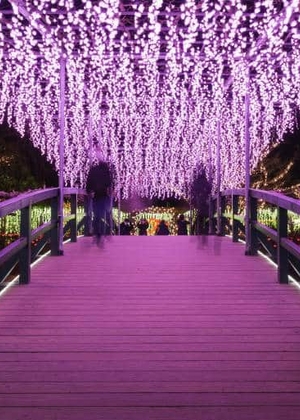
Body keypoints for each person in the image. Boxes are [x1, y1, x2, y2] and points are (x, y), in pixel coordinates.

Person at [86, 148, 114, 246]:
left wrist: (89, 191)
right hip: (101, 195)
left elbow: (89, 182)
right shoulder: (105, 170)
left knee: (98, 215)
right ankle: (100, 234)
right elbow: (109, 182)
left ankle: (98, 234)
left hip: (98, 196)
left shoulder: (95, 170)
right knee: (101, 215)